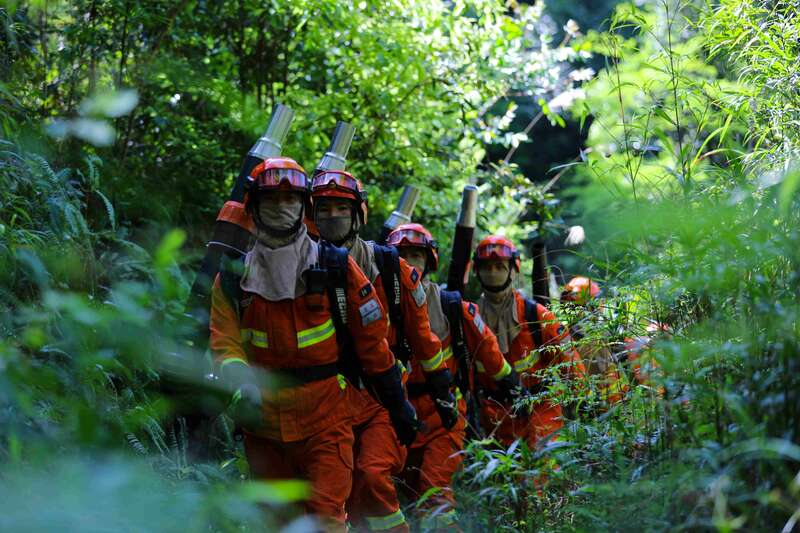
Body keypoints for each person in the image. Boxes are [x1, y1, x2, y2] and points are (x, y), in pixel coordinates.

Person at [209, 157, 419, 531]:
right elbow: (224, 341)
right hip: (263, 427)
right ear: (254, 205)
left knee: (327, 519)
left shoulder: (335, 267)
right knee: (275, 522)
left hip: (325, 420)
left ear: (302, 207)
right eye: (271, 200)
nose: (280, 207)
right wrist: (240, 382)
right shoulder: (232, 277)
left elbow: (373, 344)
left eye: (289, 199)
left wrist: (397, 404)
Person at [311, 170, 455, 532]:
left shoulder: (391, 269)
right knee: (330, 495)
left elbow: (423, 337)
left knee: (373, 475)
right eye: (323, 208)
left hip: (381, 398)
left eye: (341, 208)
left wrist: (442, 391)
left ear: (359, 214)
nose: (332, 217)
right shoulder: (300, 266)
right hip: (324, 403)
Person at [388, 223, 519, 529]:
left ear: (429, 261)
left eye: (415, 255)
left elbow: (487, 347)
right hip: (398, 419)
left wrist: (512, 382)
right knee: (403, 497)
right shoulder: (375, 303)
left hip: (443, 415)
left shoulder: (451, 307)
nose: (408, 261)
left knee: (434, 492)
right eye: (401, 254)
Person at [473, 236, 585, 448]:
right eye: (487, 267)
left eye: (499, 266)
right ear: (477, 271)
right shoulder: (471, 319)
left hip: (541, 409)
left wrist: (585, 407)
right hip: (496, 416)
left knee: (544, 474)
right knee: (505, 478)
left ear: (512, 269)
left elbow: (572, 364)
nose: (493, 273)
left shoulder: (535, 315)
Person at [560, 276, 627, 407]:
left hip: (595, 407)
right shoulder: (595, 335)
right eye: (596, 301)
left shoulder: (565, 336)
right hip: (611, 406)